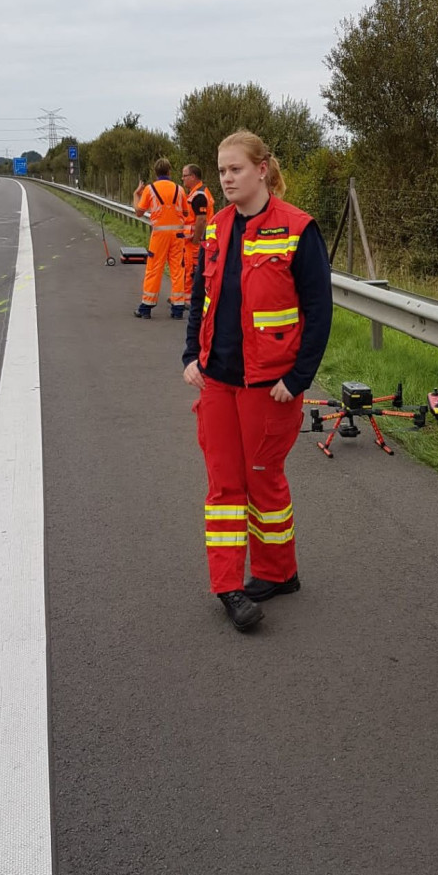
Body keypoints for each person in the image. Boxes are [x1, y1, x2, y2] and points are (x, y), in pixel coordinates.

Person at [182, 130, 333, 630]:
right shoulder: (216, 227)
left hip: (271, 386)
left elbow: (318, 310)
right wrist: (191, 355)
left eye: (235, 169)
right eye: (221, 170)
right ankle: (229, 586)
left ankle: (277, 572)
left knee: (265, 481)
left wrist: (299, 375)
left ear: (262, 169)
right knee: (226, 486)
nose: (226, 178)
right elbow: (199, 296)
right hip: (219, 382)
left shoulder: (297, 228)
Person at [132, 157, 192, 319]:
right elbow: (186, 212)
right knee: (178, 270)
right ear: (169, 172)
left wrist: (135, 194)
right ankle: (178, 309)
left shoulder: (150, 189)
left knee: (154, 269)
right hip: (177, 236)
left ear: (156, 173)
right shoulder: (179, 189)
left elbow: (138, 212)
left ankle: (146, 308)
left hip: (159, 235)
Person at [179, 163, 215, 304]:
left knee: (192, 271)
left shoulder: (199, 195)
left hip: (196, 242)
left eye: (185, 175)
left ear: (193, 177)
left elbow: (201, 220)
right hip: (192, 241)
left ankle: (189, 300)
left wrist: (196, 240)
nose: (182, 178)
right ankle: (186, 298)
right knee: (189, 269)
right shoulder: (196, 192)